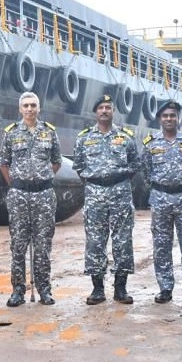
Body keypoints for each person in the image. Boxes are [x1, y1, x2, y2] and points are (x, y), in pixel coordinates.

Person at [72, 94, 140, 305]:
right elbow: (79, 167)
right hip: (94, 193)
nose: (104, 111)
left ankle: (121, 288)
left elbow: (135, 164)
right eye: (100, 107)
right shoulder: (84, 138)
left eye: (108, 108)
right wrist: (97, 182)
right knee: (95, 240)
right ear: (95, 112)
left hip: (120, 191)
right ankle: (97, 288)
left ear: (113, 112)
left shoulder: (126, 136)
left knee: (122, 240)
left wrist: (116, 179)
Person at [0, 92, 62, 306]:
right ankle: (18, 291)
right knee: (18, 245)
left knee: (43, 245)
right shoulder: (11, 133)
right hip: (18, 196)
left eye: (33, 105)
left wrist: (39, 180)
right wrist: (19, 184)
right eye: (25, 105)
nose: (29, 109)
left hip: (44, 195)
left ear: (39, 108)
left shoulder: (50, 132)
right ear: (20, 109)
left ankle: (44, 289)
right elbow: (4, 163)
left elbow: (56, 162)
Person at [142, 101, 182, 305]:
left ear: (178, 118)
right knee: (161, 245)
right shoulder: (150, 144)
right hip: (160, 198)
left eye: (173, 115)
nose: (169, 119)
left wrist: (181, 187)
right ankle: (165, 288)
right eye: (165, 116)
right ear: (160, 119)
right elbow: (146, 173)